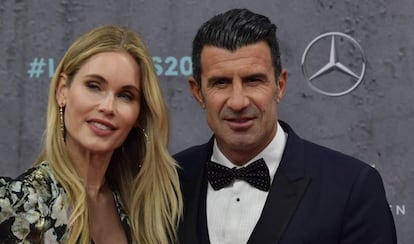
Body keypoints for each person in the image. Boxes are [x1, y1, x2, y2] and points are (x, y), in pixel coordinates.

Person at [174, 8, 397, 244]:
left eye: (253, 81)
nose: (238, 102)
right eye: (221, 83)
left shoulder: (352, 187)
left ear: (280, 86)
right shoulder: (169, 181)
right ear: (198, 93)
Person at [0, 25, 182, 244]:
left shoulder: (141, 210)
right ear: (62, 91)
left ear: (138, 116)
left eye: (125, 95)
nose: (107, 107)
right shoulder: (19, 204)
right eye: (94, 86)